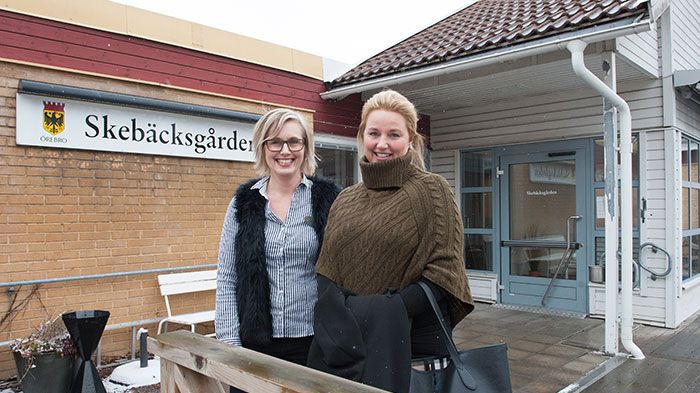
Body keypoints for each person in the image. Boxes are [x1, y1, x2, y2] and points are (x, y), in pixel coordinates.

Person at [307, 90, 474, 393]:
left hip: (408, 348)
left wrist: (385, 309)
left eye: (393, 134)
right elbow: (327, 267)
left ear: (411, 139)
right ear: (362, 136)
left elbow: (445, 270)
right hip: (343, 343)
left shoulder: (431, 190)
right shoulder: (345, 198)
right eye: (374, 133)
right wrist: (346, 315)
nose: (382, 143)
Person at [215, 108, 340, 390]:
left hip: (314, 343)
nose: (285, 150)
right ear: (263, 147)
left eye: (294, 141)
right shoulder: (243, 204)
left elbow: (345, 269)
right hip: (255, 343)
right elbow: (226, 277)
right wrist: (230, 344)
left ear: (305, 147)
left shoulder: (328, 201)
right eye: (275, 141)